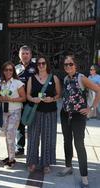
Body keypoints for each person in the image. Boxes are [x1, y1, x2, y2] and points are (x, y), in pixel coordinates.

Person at [58, 55, 100, 187]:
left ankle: (84, 176)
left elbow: (98, 90)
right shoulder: (65, 79)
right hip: (65, 114)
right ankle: (68, 166)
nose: (68, 67)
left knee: (79, 144)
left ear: (75, 65)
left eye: (70, 64)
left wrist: (91, 108)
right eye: (66, 65)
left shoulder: (81, 78)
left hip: (78, 116)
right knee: (66, 141)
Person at [26, 56, 61, 173]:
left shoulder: (54, 78)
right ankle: (32, 162)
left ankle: (46, 163)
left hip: (50, 112)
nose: (41, 65)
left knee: (48, 137)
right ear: (36, 66)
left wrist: (52, 99)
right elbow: (28, 95)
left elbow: (58, 95)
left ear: (47, 64)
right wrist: (33, 99)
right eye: (39, 64)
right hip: (35, 112)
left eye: (43, 63)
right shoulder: (32, 78)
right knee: (33, 137)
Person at [0, 61, 26, 169]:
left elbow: (23, 98)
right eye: (6, 70)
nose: (8, 71)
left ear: (13, 71)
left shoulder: (18, 83)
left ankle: (12, 160)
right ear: (3, 71)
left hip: (15, 111)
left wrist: (11, 99)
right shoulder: (2, 83)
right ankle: (9, 156)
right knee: (7, 134)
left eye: (10, 70)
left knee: (11, 133)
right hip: (5, 111)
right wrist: (1, 98)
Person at [16, 45, 36, 156]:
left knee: (32, 125)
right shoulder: (16, 68)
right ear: (20, 55)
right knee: (20, 126)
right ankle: (20, 148)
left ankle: (32, 149)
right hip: (20, 100)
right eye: (23, 53)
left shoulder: (36, 67)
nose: (25, 55)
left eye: (27, 53)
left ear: (30, 55)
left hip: (32, 100)